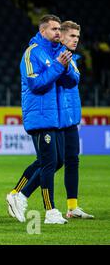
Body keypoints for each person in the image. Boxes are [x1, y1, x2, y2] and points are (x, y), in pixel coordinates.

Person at [7, 20, 93, 219]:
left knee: (59, 161)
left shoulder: (62, 56)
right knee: (48, 162)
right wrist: (58, 65)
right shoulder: (33, 52)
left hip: (59, 116)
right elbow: (36, 84)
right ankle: (42, 207)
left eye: (77, 37)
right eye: (57, 30)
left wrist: (63, 66)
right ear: (44, 30)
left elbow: (73, 81)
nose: (75, 40)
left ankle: (23, 196)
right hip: (44, 116)